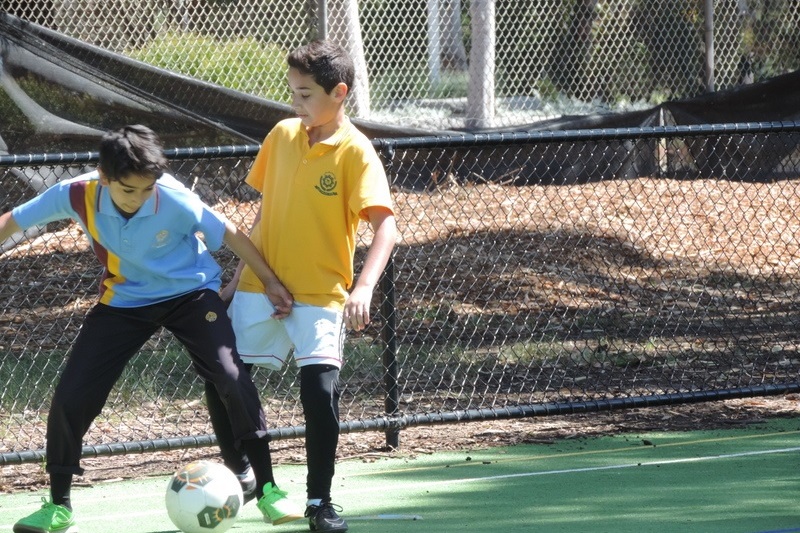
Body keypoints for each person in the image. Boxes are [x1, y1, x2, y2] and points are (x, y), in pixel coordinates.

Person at [1, 125, 304, 533]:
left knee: (231, 377)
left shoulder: (174, 197)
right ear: (105, 178)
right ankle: (58, 506)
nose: (141, 198)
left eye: (148, 189)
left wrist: (269, 280)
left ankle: (268, 490)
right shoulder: (75, 193)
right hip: (124, 302)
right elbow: (13, 221)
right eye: (129, 191)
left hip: (191, 294)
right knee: (72, 396)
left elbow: (230, 234)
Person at [211, 40, 397, 533]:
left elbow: (387, 229)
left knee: (319, 394)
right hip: (258, 285)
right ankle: (246, 472)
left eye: (305, 95)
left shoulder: (357, 151)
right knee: (223, 378)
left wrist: (364, 288)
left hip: (321, 295)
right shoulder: (281, 135)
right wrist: (237, 281)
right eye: (291, 92)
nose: (295, 104)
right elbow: (264, 216)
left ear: (339, 93)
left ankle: (320, 502)